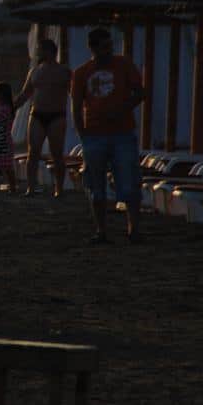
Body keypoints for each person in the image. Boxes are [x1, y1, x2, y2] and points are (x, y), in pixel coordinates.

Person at [71, 27, 145, 244]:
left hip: (123, 132)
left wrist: (123, 109)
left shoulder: (124, 64)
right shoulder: (81, 73)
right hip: (94, 134)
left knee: (129, 181)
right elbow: (76, 107)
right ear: (92, 48)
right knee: (96, 186)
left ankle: (134, 229)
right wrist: (82, 135)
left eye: (110, 46)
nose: (109, 50)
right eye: (104, 47)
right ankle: (101, 230)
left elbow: (140, 92)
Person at [13, 38, 72, 197]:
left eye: (41, 50)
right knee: (33, 153)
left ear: (50, 51)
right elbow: (25, 94)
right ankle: (31, 187)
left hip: (57, 115)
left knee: (57, 153)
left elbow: (74, 93)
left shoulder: (64, 71)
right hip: (37, 114)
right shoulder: (35, 71)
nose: (38, 52)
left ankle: (59, 189)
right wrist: (12, 108)